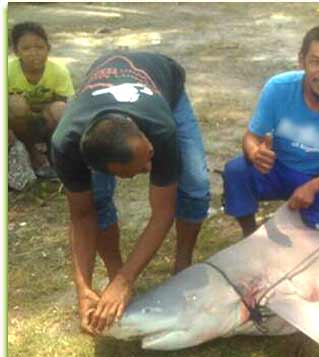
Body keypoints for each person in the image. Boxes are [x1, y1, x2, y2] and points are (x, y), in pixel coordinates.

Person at [51, 52, 211, 335]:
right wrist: (83, 289)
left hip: (165, 81)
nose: (150, 167)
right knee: (97, 199)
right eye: (137, 169)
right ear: (104, 169)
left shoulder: (160, 131)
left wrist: (127, 281)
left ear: (142, 135)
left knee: (196, 181)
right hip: (103, 88)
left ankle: (182, 261)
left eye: (149, 157)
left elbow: (163, 213)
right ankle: (114, 268)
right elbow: (82, 216)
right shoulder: (66, 145)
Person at [223, 25, 319, 236]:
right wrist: (255, 153)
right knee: (236, 171)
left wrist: (313, 187)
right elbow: (252, 136)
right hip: (277, 168)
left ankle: (302, 234)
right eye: (316, 62)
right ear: (301, 61)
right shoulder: (278, 87)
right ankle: (249, 235)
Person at [9, 21, 75, 179]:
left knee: (60, 108)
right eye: (26, 48)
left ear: (48, 49)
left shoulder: (58, 71)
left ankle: (53, 151)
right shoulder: (7, 71)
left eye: (39, 47)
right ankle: (32, 153)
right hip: (18, 122)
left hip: (45, 119)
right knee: (16, 105)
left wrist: (36, 109)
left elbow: (60, 103)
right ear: (16, 52)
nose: (34, 53)